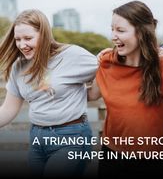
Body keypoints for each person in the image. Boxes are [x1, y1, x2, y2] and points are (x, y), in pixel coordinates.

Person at [88, 1, 163, 178]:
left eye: (120, 30)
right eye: (112, 29)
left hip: (150, 161)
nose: (113, 36)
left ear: (142, 32)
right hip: (111, 156)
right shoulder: (106, 62)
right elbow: (91, 95)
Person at [0, 9, 98, 177]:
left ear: (44, 35)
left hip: (71, 137)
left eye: (28, 38)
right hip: (37, 139)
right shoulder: (19, 67)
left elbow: (109, 71)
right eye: (18, 39)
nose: (22, 45)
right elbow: (8, 110)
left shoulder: (72, 55)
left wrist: (93, 93)